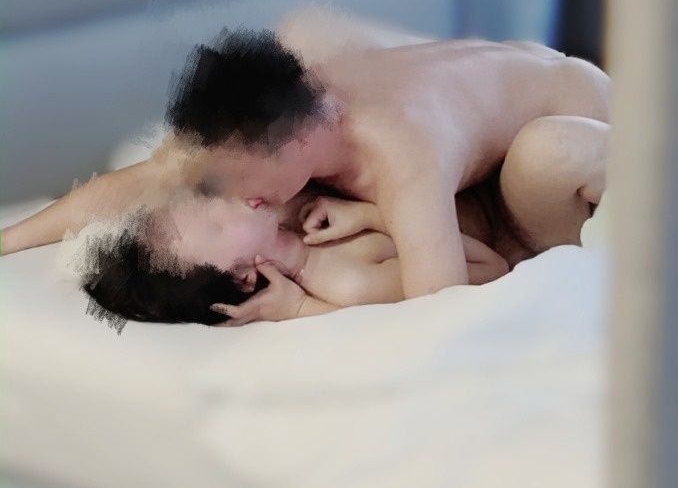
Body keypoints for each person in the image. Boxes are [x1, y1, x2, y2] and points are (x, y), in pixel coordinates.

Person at [1, 7, 610, 305]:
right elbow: (150, 177)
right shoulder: (288, 88)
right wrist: (8, 240)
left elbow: (442, 310)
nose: (238, 199)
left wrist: (299, 309)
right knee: (305, 25)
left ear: (295, 143)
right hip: (498, 81)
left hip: (582, 121)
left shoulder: (401, 152)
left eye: (242, 182)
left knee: (545, 155)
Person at [81, 113, 608, 329]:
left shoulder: (294, 214)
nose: (225, 203)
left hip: (483, 182)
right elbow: (490, 269)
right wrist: (372, 214)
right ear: (245, 277)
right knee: (555, 148)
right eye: (216, 226)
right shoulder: (349, 283)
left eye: (206, 203)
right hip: (517, 232)